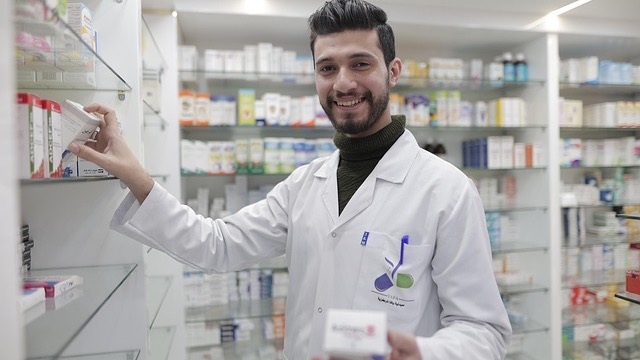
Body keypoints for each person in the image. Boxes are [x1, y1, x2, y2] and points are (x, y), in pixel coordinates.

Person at [69, 0, 511, 358]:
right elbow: (217, 245)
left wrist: (423, 354)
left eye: (361, 64)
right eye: (327, 68)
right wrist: (136, 176)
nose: (343, 83)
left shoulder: (446, 190)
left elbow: (483, 329)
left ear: (392, 71)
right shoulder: (305, 185)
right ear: (315, 76)